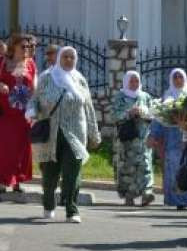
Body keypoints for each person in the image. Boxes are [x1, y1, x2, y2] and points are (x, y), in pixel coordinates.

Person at [29, 47, 100, 222]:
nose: (68, 60)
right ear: (59, 58)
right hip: (50, 133)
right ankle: (48, 203)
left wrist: (94, 134)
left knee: (73, 172)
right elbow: (34, 100)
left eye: (71, 57)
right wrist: (31, 111)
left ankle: (72, 210)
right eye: (65, 57)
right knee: (50, 175)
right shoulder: (47, 78)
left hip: (75, 132)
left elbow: (89, 108)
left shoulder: (80, 80)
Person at [148, 69, 187, 210]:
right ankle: (178, 201)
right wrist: (154, 135)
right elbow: (159, 119)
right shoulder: (166, 98)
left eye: (180, 76)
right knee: (174, 169)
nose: (177, 79)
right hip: (172, 139)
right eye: (175, 77)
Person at [112, 70, 156, 207]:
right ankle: (128, 195)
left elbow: (154, 114)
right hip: (127, 139)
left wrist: (145, 114)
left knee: (145, 165)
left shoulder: (146, 96)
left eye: (136, 80)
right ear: (126, 82)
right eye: (131, 81)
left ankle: (146, 194)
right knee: (127, 167)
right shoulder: (120, 96)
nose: (134, 83)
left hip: (143, 138)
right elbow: (114, 115)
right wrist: (128, 113)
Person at [0, 33, 36, 195]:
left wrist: (35, 110)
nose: (26, 49)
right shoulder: (2, 63)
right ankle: (2, 180)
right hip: (6, 113)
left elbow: (35, 87)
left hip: (24, 114)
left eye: (28, 46)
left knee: (23, 149)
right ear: (13, 47)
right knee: (6, 147)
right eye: (23, 46)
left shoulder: (31, 64)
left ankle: (17, 181)